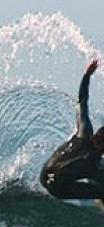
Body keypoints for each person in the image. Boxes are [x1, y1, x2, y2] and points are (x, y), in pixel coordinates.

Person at [40, 60, 104, 199]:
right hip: (55, 186)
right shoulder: (93, 164)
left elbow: (82, 101)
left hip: (46, 175)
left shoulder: (84, 132)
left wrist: (87, 75)